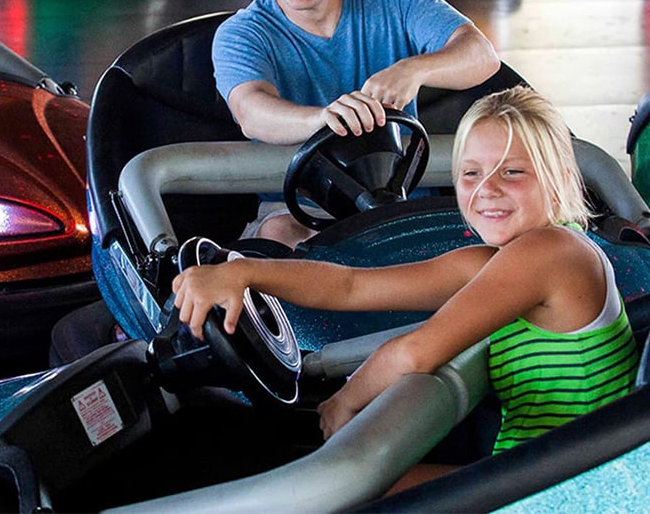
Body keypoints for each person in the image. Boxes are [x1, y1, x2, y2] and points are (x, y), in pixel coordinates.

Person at [173, 86, 638, 486]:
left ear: (559, 180)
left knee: (339, 489)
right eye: (471, 173)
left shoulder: (551, 252)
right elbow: (350, 287)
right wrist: (245, 272)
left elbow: (415, 353)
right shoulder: (497, 261)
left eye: (512, 171)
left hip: (576, 489)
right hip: (540, 471)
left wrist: (342, 404)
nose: (487, 189)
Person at [215, 0, 502, 246]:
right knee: (278, 235)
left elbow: (482, 56)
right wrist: (323, 120)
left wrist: (414, 69)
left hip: (403, 199)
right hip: (300, 209)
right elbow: (250, 111)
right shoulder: (242, 33)